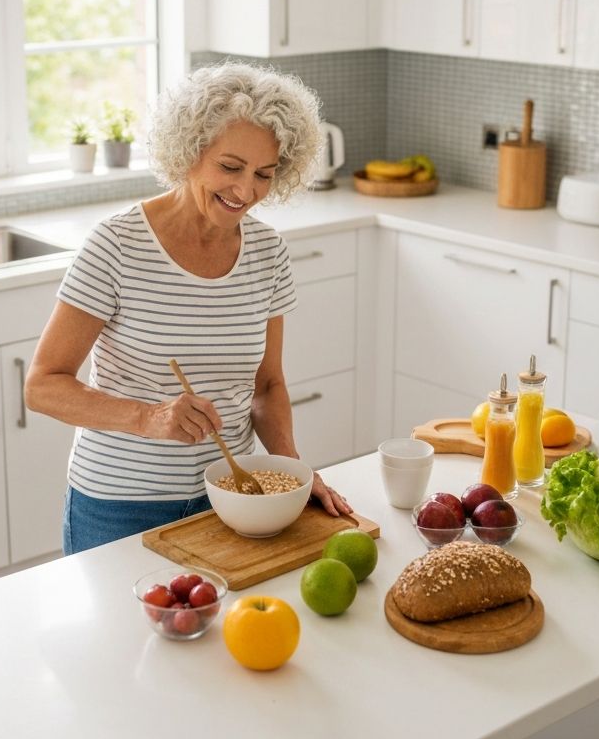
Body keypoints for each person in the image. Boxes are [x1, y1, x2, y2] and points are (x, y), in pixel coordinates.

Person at [24, 61, 353, 554]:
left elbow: (266, 386)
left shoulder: (267, 252)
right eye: (230, 167)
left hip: (233, 499)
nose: (246, 191)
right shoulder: (117, 244)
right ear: (189, 150)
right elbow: (43, 386)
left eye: (265, 174)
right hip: (120, 505)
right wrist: (148, 418)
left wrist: (294, 472)